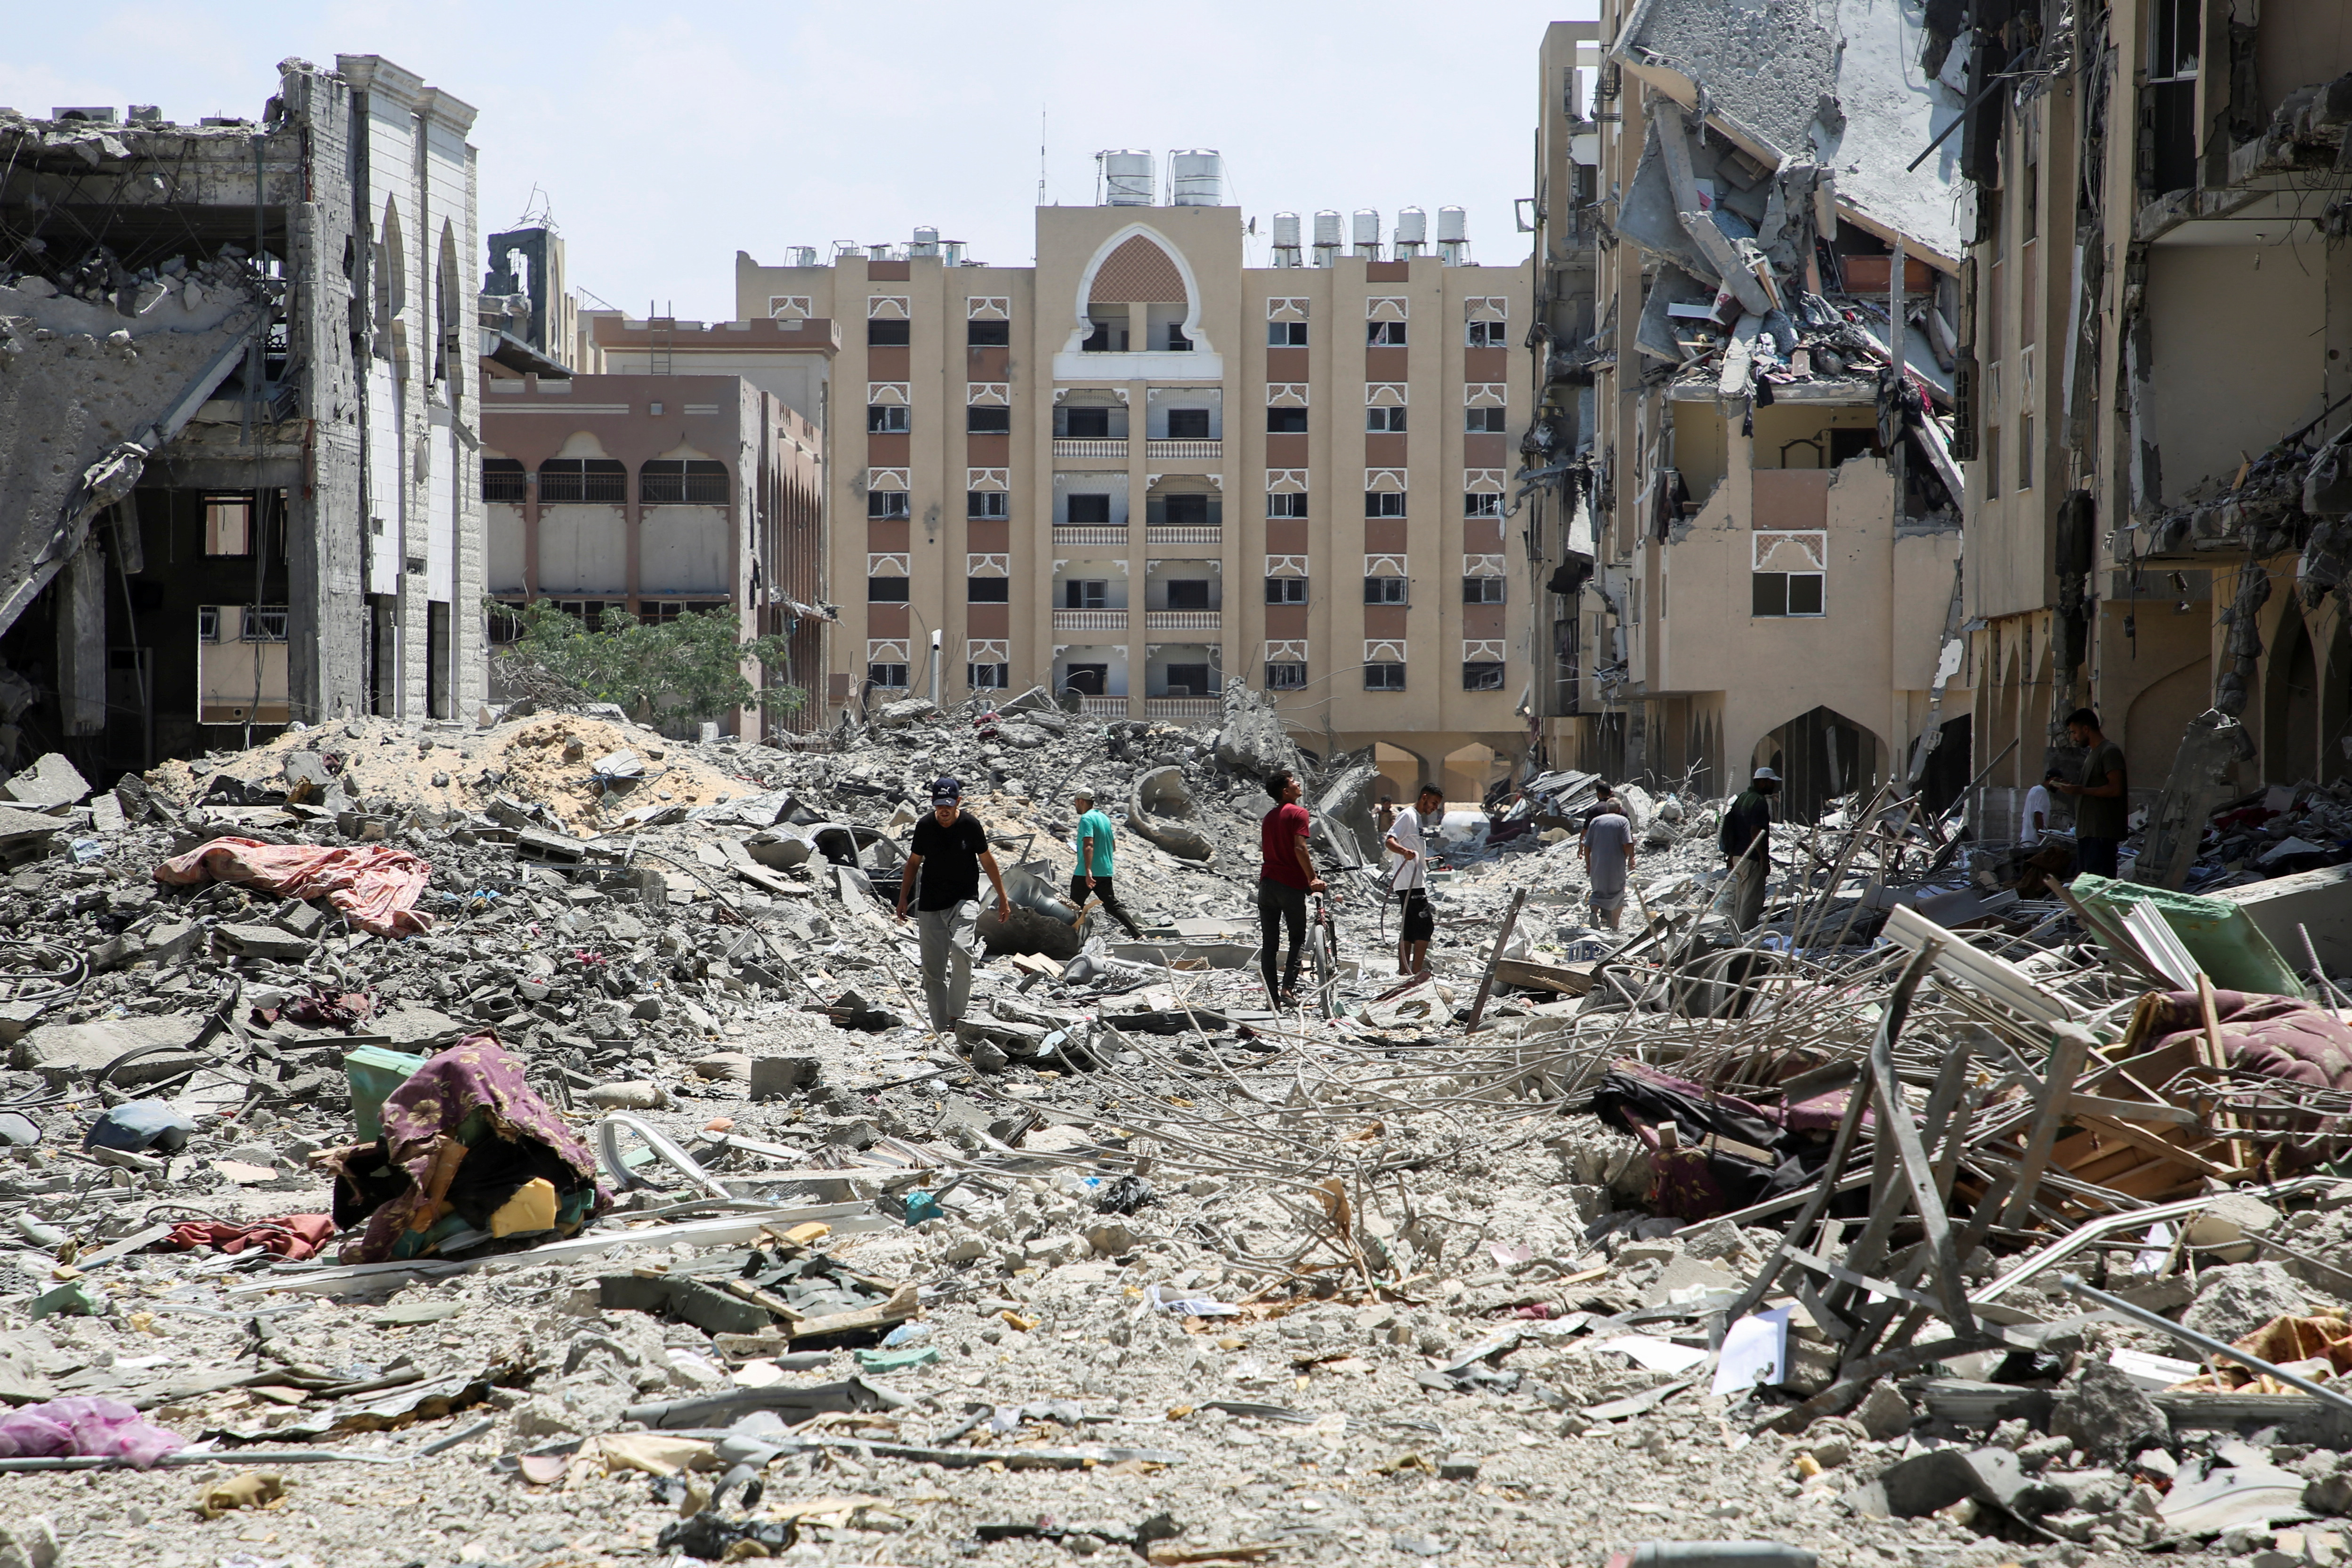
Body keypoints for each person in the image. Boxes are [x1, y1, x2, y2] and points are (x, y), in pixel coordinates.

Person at [893, 776, 1010, 1035]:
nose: (943, 811)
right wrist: (903, 898)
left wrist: (1002, 897)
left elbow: (988, 861)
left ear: (958, 802)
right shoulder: (925, 826)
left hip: (964, 899)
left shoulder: (970, 825)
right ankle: (940, 1026)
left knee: (961, 949)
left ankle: (956, 1014)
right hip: (931, 904)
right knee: (932, 969)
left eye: (948, 805)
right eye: (938, 806)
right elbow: (913, 863)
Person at [1256, 768, 1324, 1004]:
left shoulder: (1269, 817)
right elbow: (1299, 848)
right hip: (1290, 886)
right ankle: (1288, 989)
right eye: (1294, 782)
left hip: (1267, 884)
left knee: (1270, 943)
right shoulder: (1299, 813)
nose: (1298, 784)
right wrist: (1312, 878)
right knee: (1296, 939)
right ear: (1286, 792)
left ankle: (1271, 997)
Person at [2054, 708, 2127, 878]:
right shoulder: (2093, 754)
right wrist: (2073, 787)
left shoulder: (2109, 751)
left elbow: (2116, 789)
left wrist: (2081, 790)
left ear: (2086, 729)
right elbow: (2092, 787)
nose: (2074, 737)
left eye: (2074, 732)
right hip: (2088, 832)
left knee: (2099, 887)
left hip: (2101, 832)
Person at [1384, 782, 1444, 977]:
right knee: (1426, 927)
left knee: (1409, 929)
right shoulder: (1408, 816)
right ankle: (1416, 974)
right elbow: (1390, 840)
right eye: (1434, 803)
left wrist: (1427, 860)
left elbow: (1413, 851)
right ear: (1424, 797)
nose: (1435, 808)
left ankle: (1405, 973)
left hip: (1412, 881)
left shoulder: (1417, 819)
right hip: (1410, 884)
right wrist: (1404, 852)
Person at [1068, 785, 1143, 939]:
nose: (1075, 805)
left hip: (1086, 872)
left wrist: (1088, 869)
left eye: (1076, 802)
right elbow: (1113, 846)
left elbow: (1089, 844)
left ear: (1081, 801)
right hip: (1105, 870)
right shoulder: (1104, 818)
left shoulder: (1086, 818)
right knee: (1112, 906)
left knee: (1074, 906)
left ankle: (1071, 939)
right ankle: (1139, 935)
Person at [1720, 766, 1780, 930]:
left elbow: (1731, 828)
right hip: (1751, 858)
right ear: (1762, 783)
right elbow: (1756, 831)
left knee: (1741, 901)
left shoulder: (1742, 798)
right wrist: (1764, 859)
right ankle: (1744, 942)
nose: (1774, 786)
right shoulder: (1759, 802)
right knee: (1751, 903)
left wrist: (1731, 855)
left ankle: (1736, 936)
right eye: (1771, 783)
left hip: (1739, 857)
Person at [1581, 788, 1636, 931]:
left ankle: (1594, 912)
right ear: (1619, 809)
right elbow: (1628, 843)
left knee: (1597, 892)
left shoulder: (1596, 821)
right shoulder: (1623, 821)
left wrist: (1588, 864)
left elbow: (1587, 845)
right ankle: (1615, 925)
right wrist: (1629, 859)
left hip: (1597, 863)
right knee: (1618, 893)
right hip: (1616, 863)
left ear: (1607, 809)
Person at [2021, 770, 2058, 847]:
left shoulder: (2034, 790)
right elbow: (2038, 816)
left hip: (2027, 838)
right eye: (2059, 783)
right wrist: (2042, 841)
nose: (2059, 787)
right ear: (2053, 780)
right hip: (2034, 841)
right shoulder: (2042, 792)